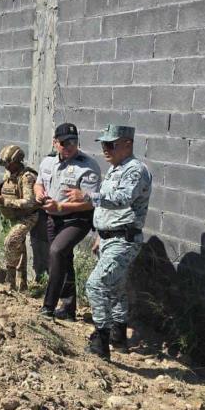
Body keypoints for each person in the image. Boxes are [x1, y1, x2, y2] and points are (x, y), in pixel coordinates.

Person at [65, 125, 152, 360]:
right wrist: (98, 235)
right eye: (103, 144)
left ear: (127, 144)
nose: (105, 149)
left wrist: (88, 196)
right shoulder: (115, 169)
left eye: (110, 144)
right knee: (116, 287)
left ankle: (100, 341)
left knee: (95, 285)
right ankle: (118, 337)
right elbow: (107, 210)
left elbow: (122, 199)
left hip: (124, 239)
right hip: (109, 238)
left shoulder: (135, 170)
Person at [34, 123, 101, 320]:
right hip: (53, 217)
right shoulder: (47, 162)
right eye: (64, 142)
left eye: (74, 142)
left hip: (77, 219)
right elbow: (39, 183)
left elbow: (89, 204)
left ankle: (48, 306)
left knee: (56, 251)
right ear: (55, 143)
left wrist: (61, 207)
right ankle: (69, 308)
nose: (70, 146)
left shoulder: (88, 166)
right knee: (64, 258)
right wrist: (39, 194)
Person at [0, 144, 39, 290]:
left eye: (8, 163)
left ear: (17, 161)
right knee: (18, 247)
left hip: (27, 217)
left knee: (10, 242)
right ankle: (21, 285)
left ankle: (9, 280)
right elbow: (4, 188)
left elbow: (29, 202)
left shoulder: (27, 177)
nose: (5, 167)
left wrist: (5, 202)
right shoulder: (9, 174)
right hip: (11, 216)